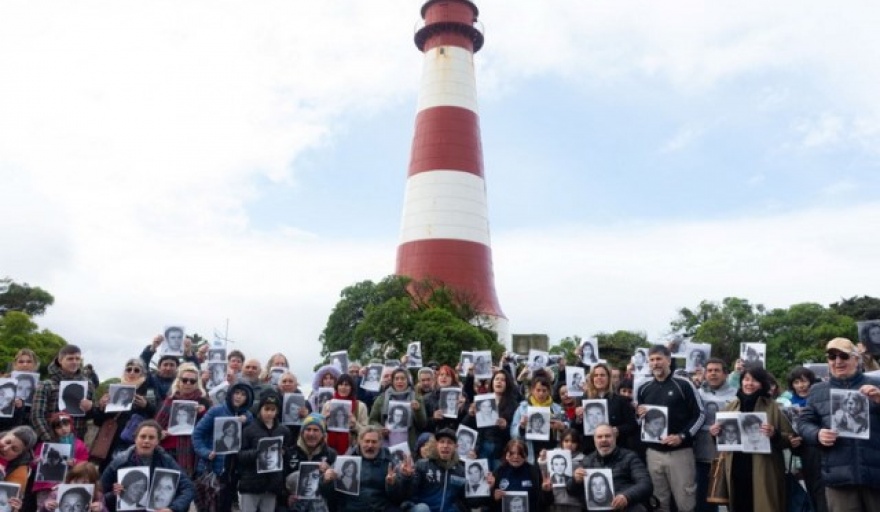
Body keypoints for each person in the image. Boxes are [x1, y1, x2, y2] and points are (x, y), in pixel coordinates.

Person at [799, 337, 880, 511]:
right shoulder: (817, 390)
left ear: (856, 359)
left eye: (844, 356)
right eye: (832, 357)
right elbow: (804, 422)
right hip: (838, 478)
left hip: (876, 474)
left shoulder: (877, 385)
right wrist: (817, 434)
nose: (838, 361)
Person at [708, 364, 796, 512]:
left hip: (764, 470)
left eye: (754, 380)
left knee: (763, 505)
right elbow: (721, 443)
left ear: (762, 383)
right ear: (741, 381)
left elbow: (791, 439)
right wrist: (714, 433)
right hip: (736, 469)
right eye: (746, 379)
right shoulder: (730, 407)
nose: (749, 384)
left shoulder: (773, 407)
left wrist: (774, 434)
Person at [635, 345, 704, 512]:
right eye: (651, 360)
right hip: (654, 453)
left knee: (685, 502)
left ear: (668, 360)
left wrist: (682, 436)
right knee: (658, 502)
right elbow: (639, 422)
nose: (655, 363)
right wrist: (639, 415)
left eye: (659, 359)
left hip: (680, 452)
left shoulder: (684, 384)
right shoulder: (644, 388)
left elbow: (700, 414)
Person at [101, 420, 195, 512]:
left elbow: (188, 488)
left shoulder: (166, 460)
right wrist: (114, 493)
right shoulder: (120, 461)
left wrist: (172, 508)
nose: (146, 441)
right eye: (142, 436)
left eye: (151, 437)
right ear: (135, 439)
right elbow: (100, 492)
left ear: (158, 441)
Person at [192, 382, 254, 512]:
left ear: (248, 398)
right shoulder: (216, 410)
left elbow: (251, 440)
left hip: (234, 471)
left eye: (243, 394)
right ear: (230, 394)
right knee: (209, 507)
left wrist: (246, 422)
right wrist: (206, 452)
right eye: (236, 393)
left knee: (226, 506)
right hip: (213, 468)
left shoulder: (248, 416)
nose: (239, 397)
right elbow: (197, 435)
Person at [397, 427, 491, 512]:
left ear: (456, 447)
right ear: (436, 445)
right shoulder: (422, 465)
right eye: (442, 442)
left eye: (449, 442)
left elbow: (471, 502)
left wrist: (486, 486)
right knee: (422, 508)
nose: (445, 445)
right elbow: (406, 495)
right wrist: (406, 477)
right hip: (422, 509)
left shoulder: (461, 471)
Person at [568, 424, 652, 511]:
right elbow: (571, 490)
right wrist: (575, 480)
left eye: (607, 436)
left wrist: (627, 496)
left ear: (615, 438)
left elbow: (645, 484)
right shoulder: (587, 460)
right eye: (599, 437)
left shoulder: (630, 457)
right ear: (594, 440)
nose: (604, 439)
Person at [154, 363, 211, 477]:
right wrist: (160, 433)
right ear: (179, 381)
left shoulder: (204, 402)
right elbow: (156, 425)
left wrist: (203, 413)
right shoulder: (170, 400)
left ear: (197, 383)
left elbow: (211, 429)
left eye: (192, 381)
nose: (188, 383)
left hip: (194, 451)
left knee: (191, 483)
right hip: (170, 450)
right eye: (185, 380)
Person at [237, 392, 290, 512]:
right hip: (251, 483)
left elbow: (288, 454)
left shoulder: (283, 431)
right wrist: (257, 453)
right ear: (260, 409)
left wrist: (283, 452)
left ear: (277, 411)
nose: (269, 413)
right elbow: (240, 455)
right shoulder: (249, 430)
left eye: (273, 409)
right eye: (266, 409)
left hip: (272, 484)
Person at [31, 346, 95, 443]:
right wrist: (49, 439)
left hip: (77, 441)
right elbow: (37, 415)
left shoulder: (88, 384)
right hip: (51, 439)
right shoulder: (47, 385)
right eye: (70, 358)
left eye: (77, 359)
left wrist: (91, 407)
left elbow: (90, 416)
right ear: (60, 360)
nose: (74, 362)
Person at [281, 413, 337, 511]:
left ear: (323, 434)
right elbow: (279, 481)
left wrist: (328, 475)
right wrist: (286, 497)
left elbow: (335, 491)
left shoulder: (331, 454)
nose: (311, 434)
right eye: (308, 429)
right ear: (302, 433)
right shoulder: (290, 453)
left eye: (316, 430)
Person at [369, 368, 427, 451]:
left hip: (409, 443)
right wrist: (380, 429)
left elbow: (423, 424)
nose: (400, 381)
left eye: (403, 378)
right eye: (396, 379)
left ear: (408, 381)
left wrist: (418, 410)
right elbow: (372, 420)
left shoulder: (417, 398)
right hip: (386, 442)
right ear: (392, 381)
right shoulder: (382, 398)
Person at [322, 374, 368, 457]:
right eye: (341, 384)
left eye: (347, 385)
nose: (343, 387)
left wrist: (355, 424)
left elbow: (366, 432)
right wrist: (325, 420)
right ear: (337, 386)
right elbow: (320, 428)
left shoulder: (360, 406)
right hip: (329, 448)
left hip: (352, 449)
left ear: (351, 388)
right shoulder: (328, 404)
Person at [492, 439, 544, 512]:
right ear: (507, 455)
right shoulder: (499, 472)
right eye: (512, 453)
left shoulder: (534, 472)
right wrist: (493, 497)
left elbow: (544, 501)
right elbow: (488, 503)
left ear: (526, 456)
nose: (516, 456)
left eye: (520, 453)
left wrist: (547, 491)